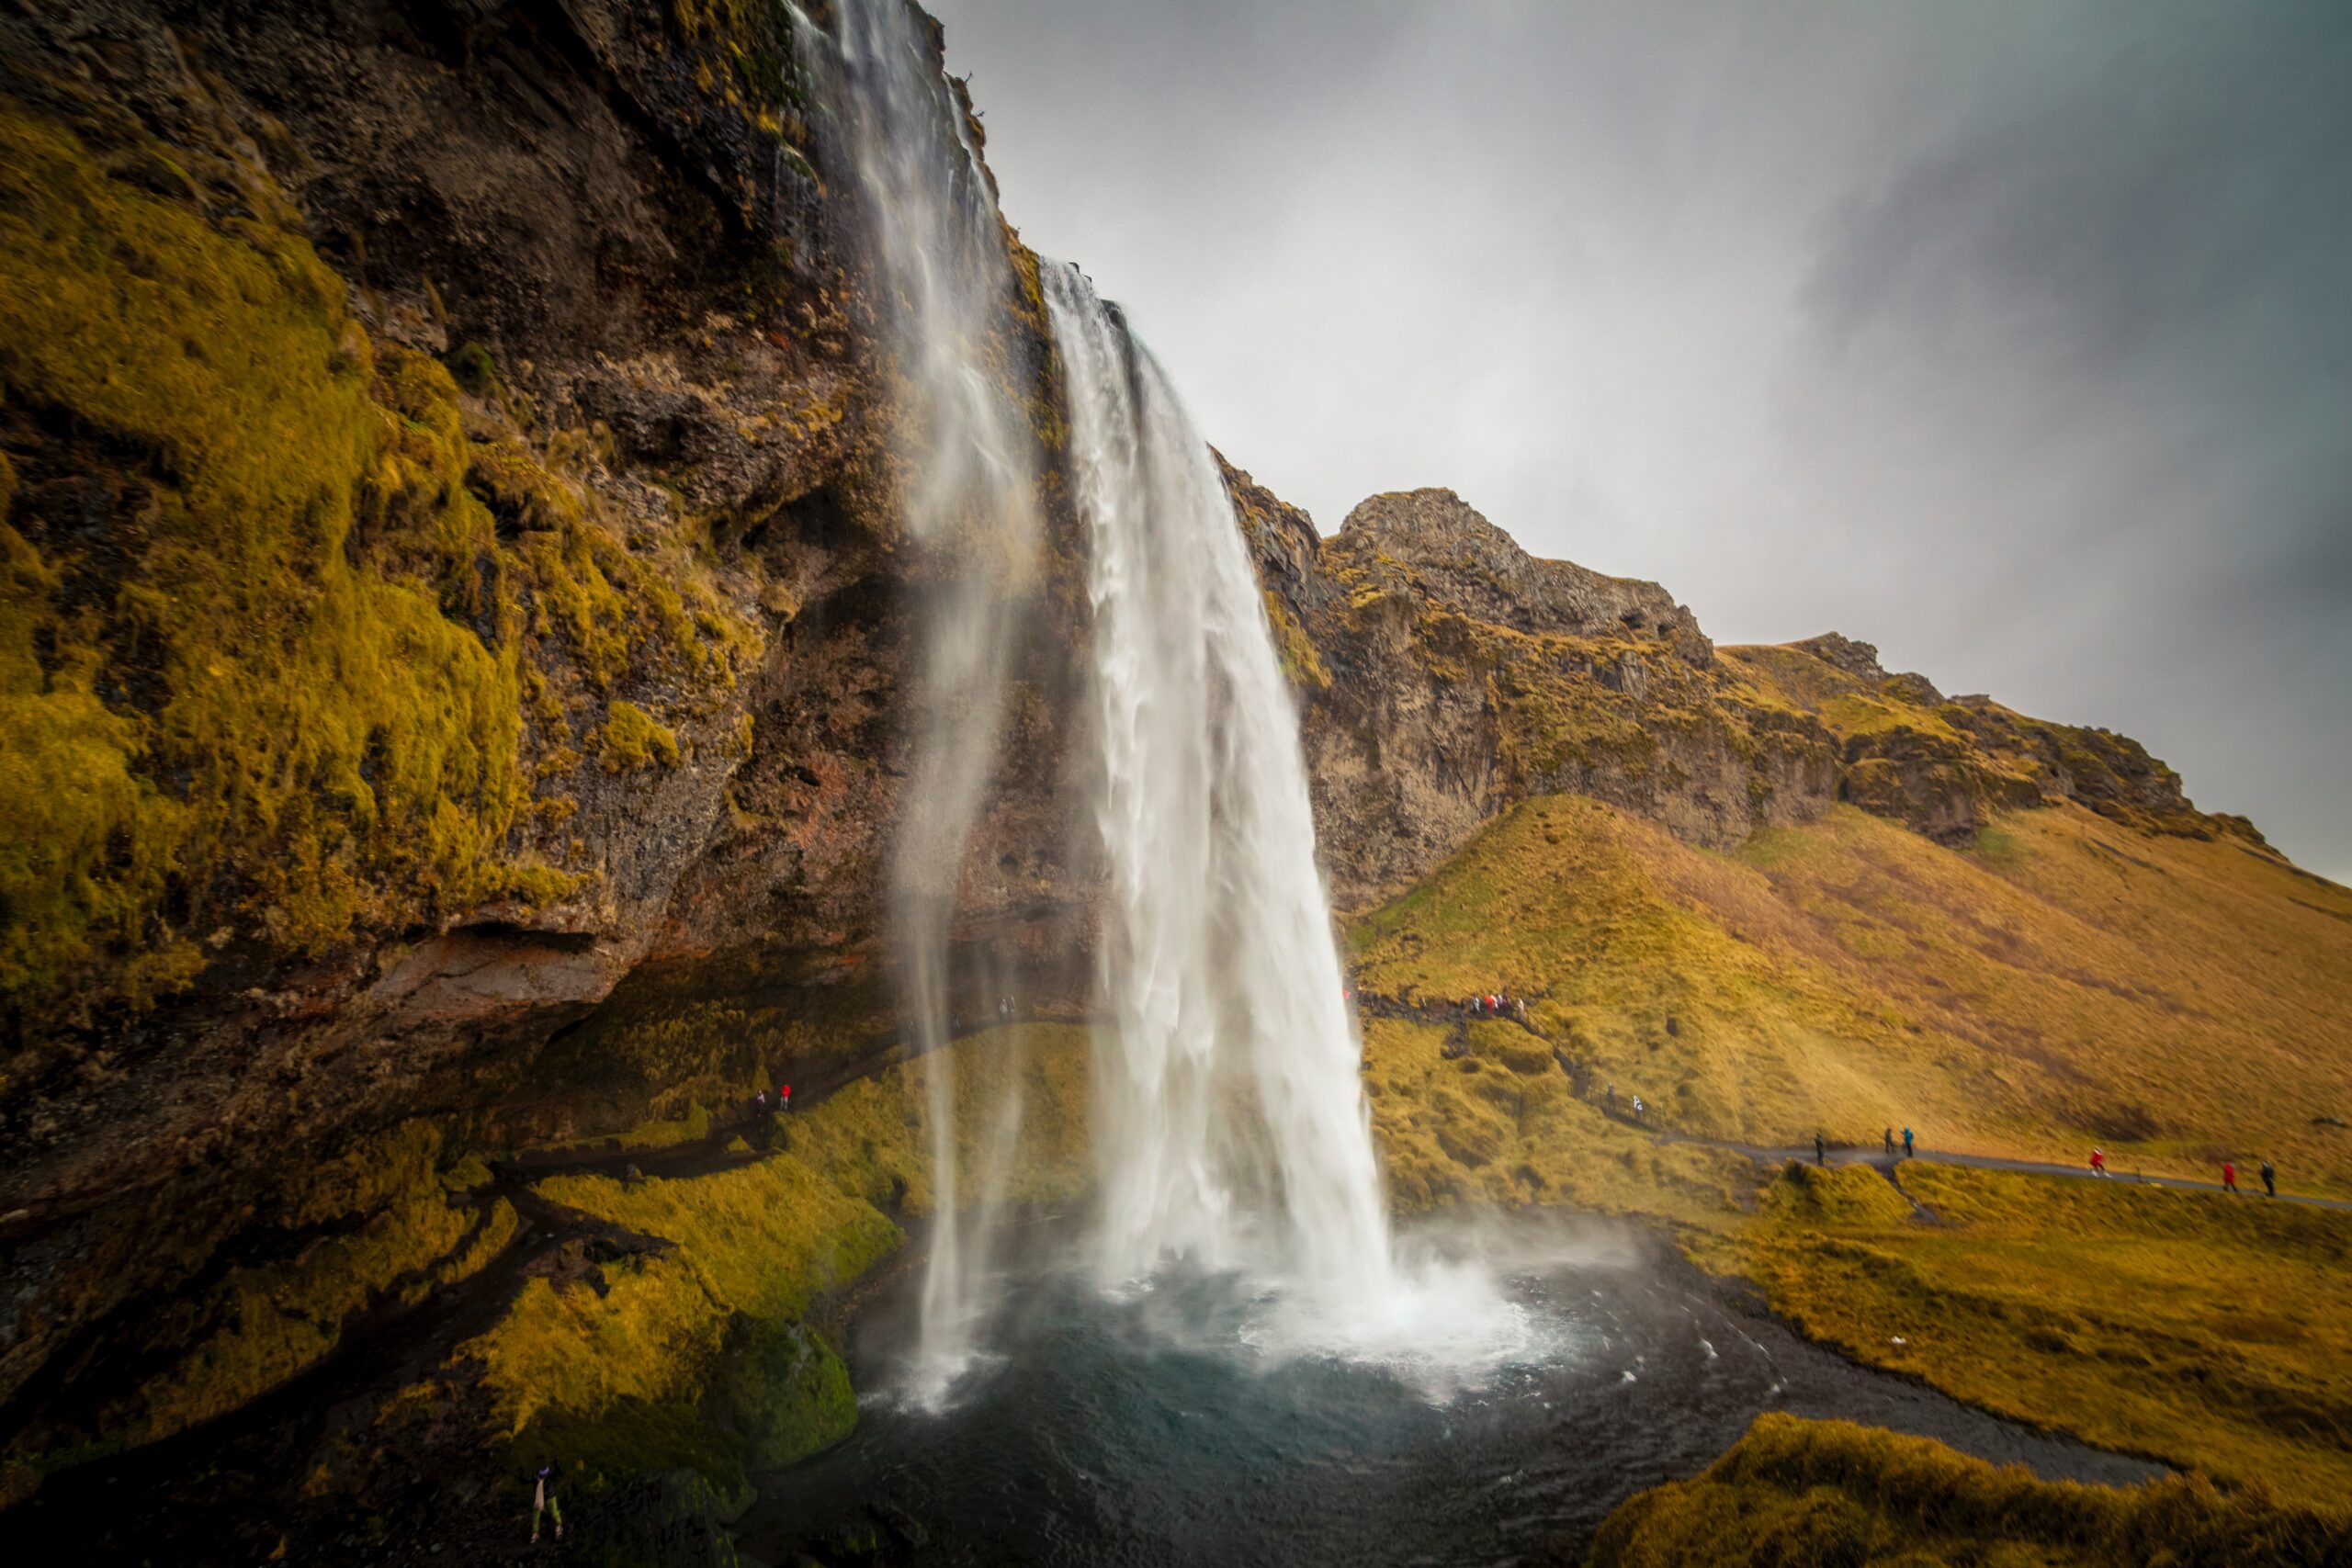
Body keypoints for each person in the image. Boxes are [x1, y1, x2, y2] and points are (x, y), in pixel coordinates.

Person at [531, 1461, 563, 1543]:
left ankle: (558, 1527)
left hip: (550, 1497)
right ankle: (535, 1533)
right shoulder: (537, 1478)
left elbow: (558, 1472)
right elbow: (525, 1480)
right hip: (541, 1498)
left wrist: (557, 1465)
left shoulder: (549, 1476)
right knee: (536, 1514)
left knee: (554, 1512)